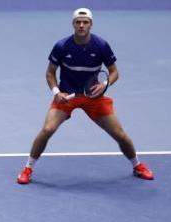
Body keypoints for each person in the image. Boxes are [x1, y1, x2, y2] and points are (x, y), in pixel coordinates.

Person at [17, 7, 154, 184]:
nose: (81, 25)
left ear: (91, 24)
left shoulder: (101, 46)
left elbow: (114, 72)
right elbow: (50, 73)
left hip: (93, 98)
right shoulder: (61, 46)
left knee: (119, 134)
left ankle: (137, 165)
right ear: (73, 24)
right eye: (78, 22)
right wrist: (57, 92)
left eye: (85, 22)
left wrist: (105, 84)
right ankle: (28, 168)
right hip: (67, 96)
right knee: (47, 130)